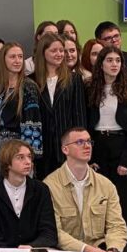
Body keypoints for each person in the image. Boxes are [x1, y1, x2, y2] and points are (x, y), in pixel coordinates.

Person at [45, 128, 127, 252]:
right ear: (65, 149)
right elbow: (54, 232)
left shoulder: (105, 185)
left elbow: (116, 225)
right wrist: (89, 251)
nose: (86, 146)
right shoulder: (49, 185)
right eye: (79, 142)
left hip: (96, 248)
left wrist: (112, 251)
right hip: (67, 250)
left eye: (88, 141)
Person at [86, 46, 127, 248]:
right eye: (109, 60)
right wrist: (89, 158)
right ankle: (102, 244)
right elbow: (86, 124)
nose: (114, 64)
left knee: (124, 199)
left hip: (121, 147)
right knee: (99, 199)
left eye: (117, 60)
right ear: (101, 64)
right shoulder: (89, 89)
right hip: (98, 146)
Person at [0, 140, 56, 249]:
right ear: (7, 163)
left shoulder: (41, 189)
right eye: (20, 157)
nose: (28, 162)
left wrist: (31, 246)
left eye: (29, 157)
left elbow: (49, 233)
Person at [35, 34, 88, 177]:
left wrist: (80, 144)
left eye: (61, 50)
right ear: (43, 52)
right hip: (42, 148)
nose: (59, 54)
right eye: (54, 51)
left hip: (67, 147)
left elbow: (79, 115)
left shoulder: (74, 79)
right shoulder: (32, 80)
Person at [0, 42, 43, 162]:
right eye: (12, 57)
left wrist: (29, 155)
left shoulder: (28, 86)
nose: (17, 60)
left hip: (19, 146)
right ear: (3, 60)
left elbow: (33, 122)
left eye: (20, 56)